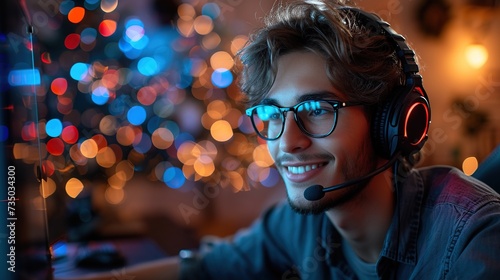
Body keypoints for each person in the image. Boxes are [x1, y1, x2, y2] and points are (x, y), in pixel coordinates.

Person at [69, 0, 500, 279]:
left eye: (316, 111)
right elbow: (204, 271)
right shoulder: (302, 222)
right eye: (272, 114)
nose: (286, 141)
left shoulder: (473, 237)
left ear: (393, 121)